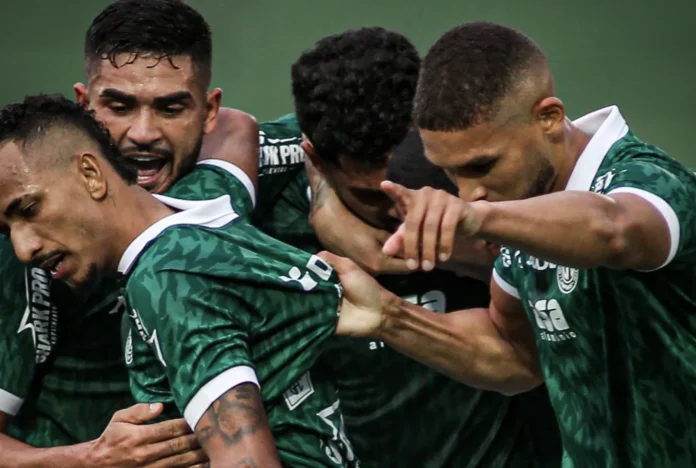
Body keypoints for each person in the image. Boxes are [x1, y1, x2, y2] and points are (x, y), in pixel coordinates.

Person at [321, 21, 696, 467]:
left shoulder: (650, 180)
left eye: (482, 166)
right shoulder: (521, 213)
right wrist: (389, 316)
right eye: (450, 173)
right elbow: (514, 355)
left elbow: (613, 229)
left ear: (549, 118)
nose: (469, 192)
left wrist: (478, 218)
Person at [253, 27, 561, 467]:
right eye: (372, 196)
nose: (403, 207)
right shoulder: (265, 199)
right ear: (315, 159)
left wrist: (455, 252)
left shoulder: (489, 171)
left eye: (418, 176)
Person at [0, 94, 358, 467]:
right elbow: (237, 126)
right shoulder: (209, 208)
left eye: (29, 209)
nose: (22, 249)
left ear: (91, 174)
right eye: (6, 229)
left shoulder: (164, 280)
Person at [0, 0, 256, 465]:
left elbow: (241, 128)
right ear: (84, 106)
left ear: (207, 112)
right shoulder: (27, 240)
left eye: (171, 107)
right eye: (118, 106)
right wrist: (92, 459)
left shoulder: (208, 199)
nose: (143, 133)